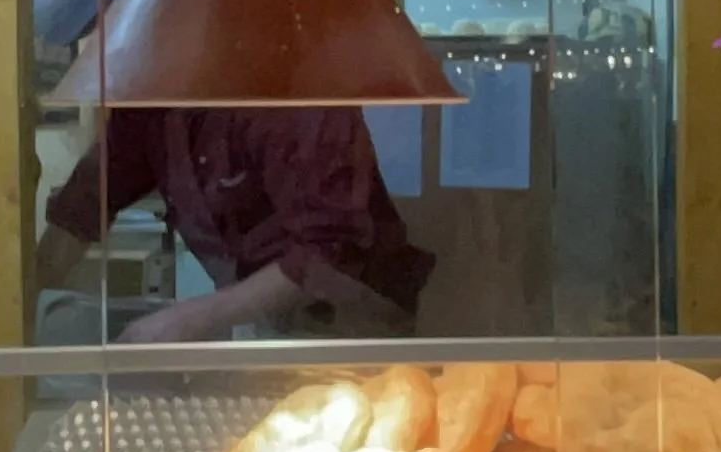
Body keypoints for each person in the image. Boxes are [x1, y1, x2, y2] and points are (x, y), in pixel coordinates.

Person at [36, 105, 433, 342]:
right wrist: (20, 308)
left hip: (358, 329)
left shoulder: (294, 95)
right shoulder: (151, 103)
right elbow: (83, 205)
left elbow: (325, 255)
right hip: (267, 329)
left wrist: (190, 320)